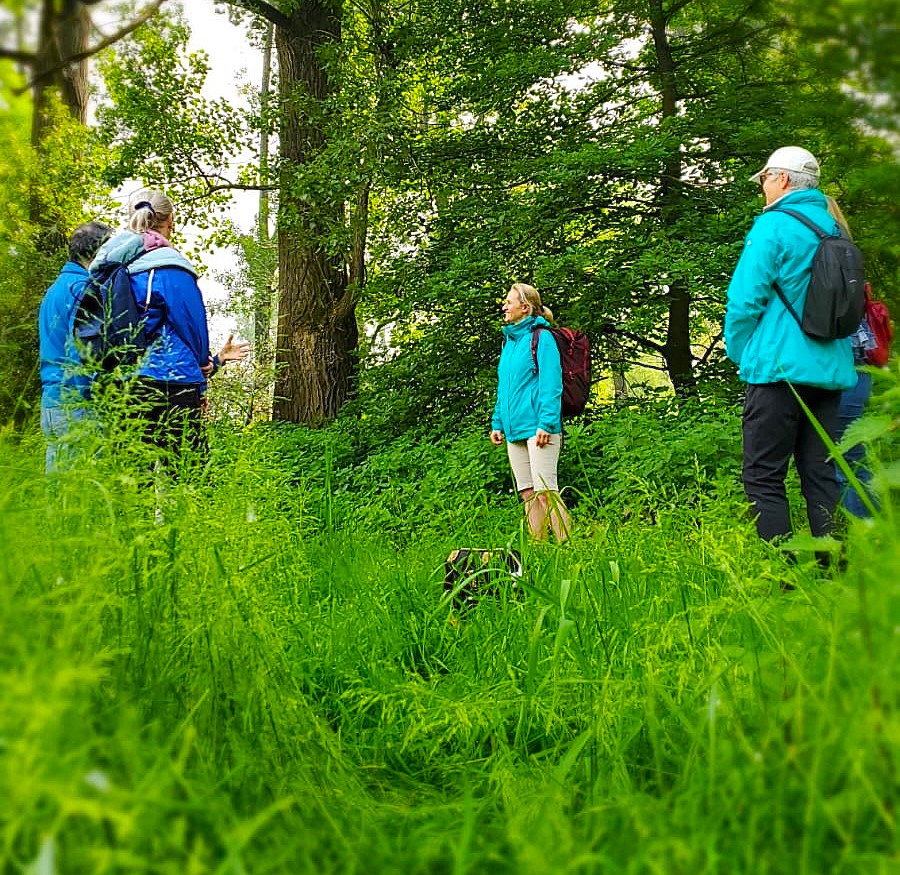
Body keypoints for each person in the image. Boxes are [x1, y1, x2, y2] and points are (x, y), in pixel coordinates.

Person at [724, 146, 857, 551]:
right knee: (821, 474)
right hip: (831, 371)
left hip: (777, 370)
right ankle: (834, 571)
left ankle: (779, 579)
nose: (762, 187)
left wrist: (741, 352)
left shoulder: (773, 226)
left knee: (764, 477)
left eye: (764, 178)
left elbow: (745, 300)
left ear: (781, 179)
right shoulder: (834, 228)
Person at [90, 190, 248, 466]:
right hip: (175, 383)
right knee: (189, 477)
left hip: (128, 383)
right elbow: (192, 325)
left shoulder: (114, 265)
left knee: (135, 483)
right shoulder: (171, 267)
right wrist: (205, 366)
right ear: (170, 221)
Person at [491, 283, 570, 542]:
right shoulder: (509, 343)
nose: (504, 306)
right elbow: (505, 386)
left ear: (525, 308)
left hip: (539, 429)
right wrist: (498, 422)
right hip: (514, 431)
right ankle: (539, 552)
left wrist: (546, 424)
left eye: (509, 301)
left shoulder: (542, 338)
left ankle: (570, 548)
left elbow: (551, 384)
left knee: (546, 492)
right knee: (528, 494)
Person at [38, 220, 112, 472]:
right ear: (97, 251)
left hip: (52, 401)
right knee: (85, 491)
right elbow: (83, 351)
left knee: (59, 489)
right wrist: (93, 397)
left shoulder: (55, 290)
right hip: (75, 404)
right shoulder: (82, 289)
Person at [826, 196, 877, 518]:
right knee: (848, 459)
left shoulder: (830, 264)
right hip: (859, 371)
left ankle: (867, 536)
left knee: (847, 462)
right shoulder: (849, 259)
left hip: (846, 371)